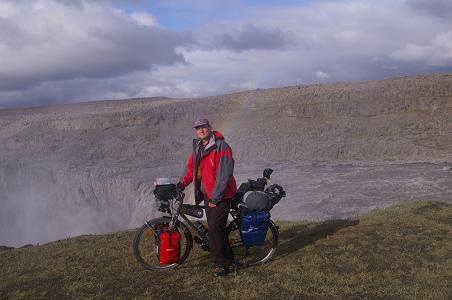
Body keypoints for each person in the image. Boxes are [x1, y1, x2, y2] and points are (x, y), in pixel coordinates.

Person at [178, 118, 237, 276]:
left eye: (203, 127)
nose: (201, 130)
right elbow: (191, 171)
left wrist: (215, 198)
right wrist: (180, 185)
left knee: (215, 231)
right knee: (216, 230)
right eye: (198, 128)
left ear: (210, 127)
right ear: (196, 132)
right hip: (207, 195)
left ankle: (222, 265)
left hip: (220, 196)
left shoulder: (221, 146)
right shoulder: (198, 148)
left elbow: (224, 175)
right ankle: (228, 258)